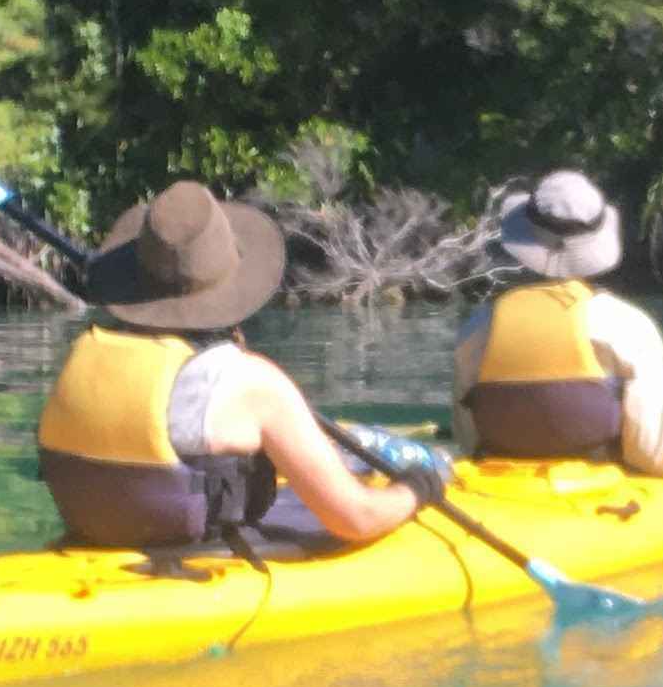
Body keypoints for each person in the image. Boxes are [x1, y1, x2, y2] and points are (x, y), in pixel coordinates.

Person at [37, 179, 419, 549]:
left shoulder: (88, 358)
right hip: (201, 568)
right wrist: (416, 490)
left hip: (93, 545)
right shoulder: (252, 383)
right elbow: (356, 519)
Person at [450, 170, 663, 477]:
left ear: (525, 237)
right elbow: (653, 454)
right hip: (600, 482)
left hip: (499, 483)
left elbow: (468, 440)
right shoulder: (627, 326)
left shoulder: (477, 327)